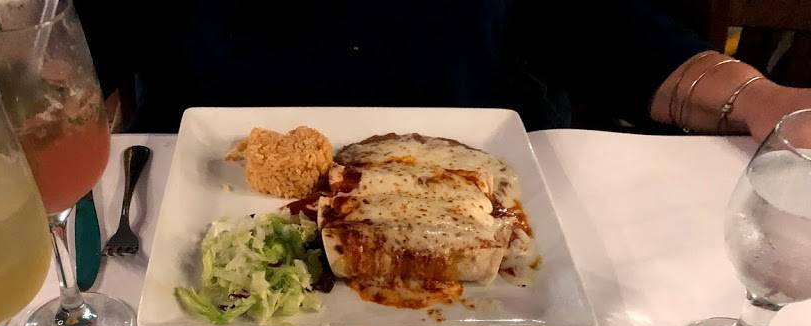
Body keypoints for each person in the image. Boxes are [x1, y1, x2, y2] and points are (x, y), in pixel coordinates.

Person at [75, 1, 811, 142]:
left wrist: (757, 98)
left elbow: (600, 27)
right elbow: (67, 57)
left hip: (469, 200)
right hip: (196, 208)